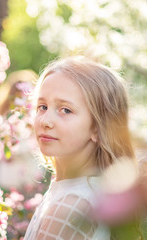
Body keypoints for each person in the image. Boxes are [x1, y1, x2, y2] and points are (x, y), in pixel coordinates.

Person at [24, 56, 135, 240]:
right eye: (42, 106)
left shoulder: (71, 206)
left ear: (99, 128)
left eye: (65, 110)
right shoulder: (86, 191)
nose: (45, 121)